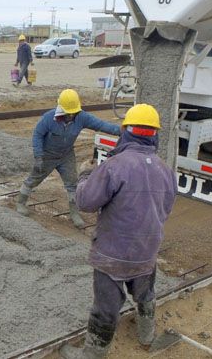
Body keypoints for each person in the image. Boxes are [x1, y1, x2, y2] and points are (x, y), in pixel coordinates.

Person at [59, 104, 176, 359]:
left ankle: (93, 353)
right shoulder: (165, 169)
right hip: (147, 251)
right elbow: (164, 210)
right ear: (155, 134)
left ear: (125, 131)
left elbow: (86, 203)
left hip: (112, 253)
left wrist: (84, 176)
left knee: (106, 307)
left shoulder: (114, 166)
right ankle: (147, 336)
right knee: (145, 293)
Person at [16, 89, 120, 228]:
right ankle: (21, 202)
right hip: (47, 155)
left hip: (66, 155)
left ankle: (74, 213)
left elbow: (101, 125)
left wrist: (122, 131)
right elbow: (37, 135)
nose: (71, 115)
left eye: (73, 113)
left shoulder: (81, 117)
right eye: (68, 113)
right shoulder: (49, 118)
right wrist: (39, 156)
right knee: (34, 178)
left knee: (72, 184)